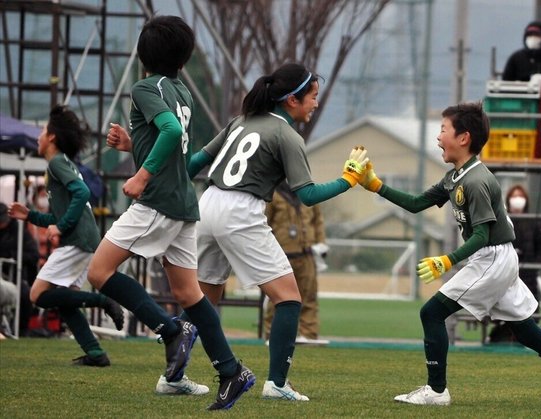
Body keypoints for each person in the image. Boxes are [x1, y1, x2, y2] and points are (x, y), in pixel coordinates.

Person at [359, 101, 541, 409]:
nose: (439, 137)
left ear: (463, 138)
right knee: (526, 331)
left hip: (491, 257)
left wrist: (446, 260)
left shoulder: (477, 180)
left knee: (431, 313)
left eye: (443, 130)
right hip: (496, 257)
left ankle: (436, 391)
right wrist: (374, 185)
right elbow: (416, 203)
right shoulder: (456, 176)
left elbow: (481, 235)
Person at [91, 15, 252, 409]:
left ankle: (168, 330)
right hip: (183, 204)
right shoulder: (182, 90)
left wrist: (142, 174)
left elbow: (170, 133)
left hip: (157, 202)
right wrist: (134, 145)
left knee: (98, 272)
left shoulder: (144, 87)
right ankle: (232, 372)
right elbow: (173, 142)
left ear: (143, 54)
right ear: (183, 57)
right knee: (189, 294)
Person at [186, 62, 369, 402]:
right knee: (289, 298)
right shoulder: (287, 134)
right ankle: (277, 385)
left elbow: (194, 163)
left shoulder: (241, 121)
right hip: (241, 210)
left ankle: (173, 375)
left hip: (207, 203)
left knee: (202, 299)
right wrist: (348, 180)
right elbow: (308, 194)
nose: (315, 103)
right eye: (312, 96)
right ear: (291, 100)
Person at [7, 105, 125, 366]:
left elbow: (82, 193)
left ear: (51, 138)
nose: (38, 136)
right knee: (64, 299)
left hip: (77, 240)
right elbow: (61, 214)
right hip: (84, 238)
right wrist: (30, 216)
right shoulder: (63, 164)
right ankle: (95, 353)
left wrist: (60, 229)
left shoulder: (57, 162)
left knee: (37, 295)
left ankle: (103, 301)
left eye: (42, 131)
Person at [263, 181, 326, 342]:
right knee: (276, 297)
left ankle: (309, 334)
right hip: (281, 254)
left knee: (309, 295)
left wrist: (321, 243)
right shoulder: (273, 193)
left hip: (307, 253)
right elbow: (265, 222)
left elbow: (318, 221)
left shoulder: (309, 193)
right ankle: (272, 333)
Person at [488, 184, 541, 343]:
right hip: (503, 272)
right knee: (503, 306)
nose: (517, 200)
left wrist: (535, 264)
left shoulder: (534, 222)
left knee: (527, 308)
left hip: (527, 275)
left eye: (520, 196)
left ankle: (523, 338)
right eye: (514, 196)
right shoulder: (501, 219)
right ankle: (502, 335)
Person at [0, 202, 36, 336]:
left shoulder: (20, 232)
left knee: (26, 294)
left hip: (15, 275)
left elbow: (33, 255)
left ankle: (21, 330)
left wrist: (12, 255)